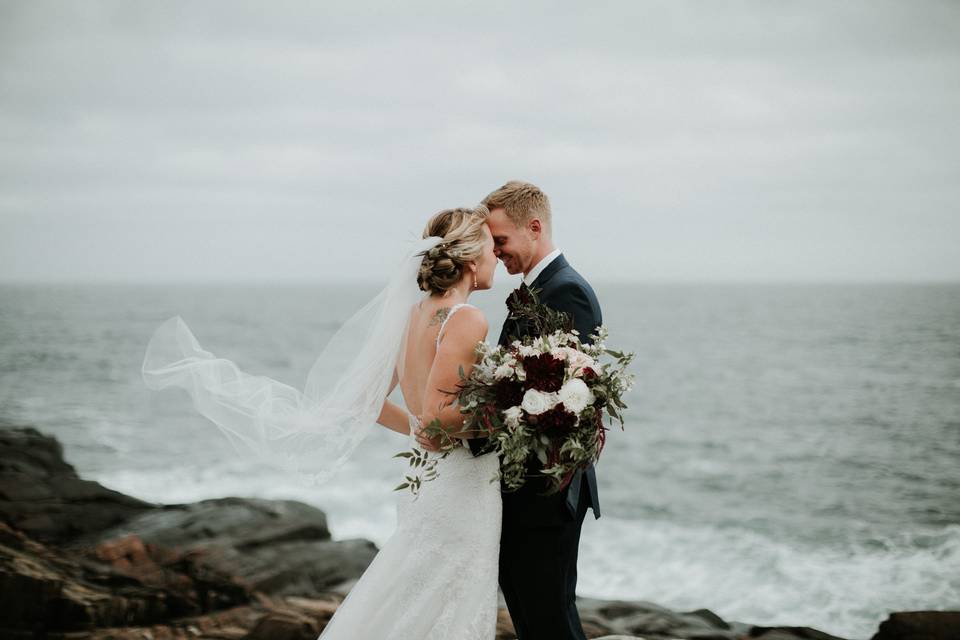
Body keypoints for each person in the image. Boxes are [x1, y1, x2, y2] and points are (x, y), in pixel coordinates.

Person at [142, 205, 504, 639]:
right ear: (468, 258)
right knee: (448, 598)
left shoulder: (413, 317)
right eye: (490, 246)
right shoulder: (466, 319)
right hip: (458, 485)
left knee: (413, 593)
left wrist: (416, 427)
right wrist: (507, 412)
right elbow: (440, 417)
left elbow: (368, 404)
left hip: (426, 479)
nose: (496, 256)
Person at [419, 181, 603, 640]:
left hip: (546, 491)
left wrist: (460, 429)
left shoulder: (566, 292)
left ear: (534, 228)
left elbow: (565, 402)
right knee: (531, 616)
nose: (495, 252)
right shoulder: (536, 289)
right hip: (523, 489)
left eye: (500, 240)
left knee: (549, 619)